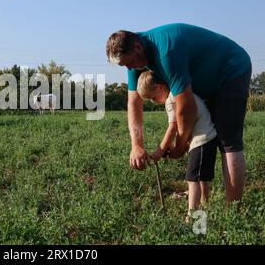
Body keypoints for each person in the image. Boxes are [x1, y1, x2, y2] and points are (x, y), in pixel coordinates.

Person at [106, 23, 252, 203]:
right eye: (124, 66)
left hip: (231, 69)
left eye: (128, 63)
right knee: (207, 139)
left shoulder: (166, 51)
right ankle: (204, 200)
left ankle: (233, 212)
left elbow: (186, 107)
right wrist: (137, 145)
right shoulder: (135, 60)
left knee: (228, 142)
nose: (129, 69)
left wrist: (180, 146)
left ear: (137, 47)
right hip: (205, 83)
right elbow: (134, 103)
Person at [137, 70, 217, 217]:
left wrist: (159, 151)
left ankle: (192, 217)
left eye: (153, 97)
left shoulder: (171, 99)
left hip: (201, 140)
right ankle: (205, 206)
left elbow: (173, 127)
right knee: (201, 178)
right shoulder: (179, 91)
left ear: (160, 87)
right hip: (209, 137)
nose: (153, 101)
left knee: (192, 180)